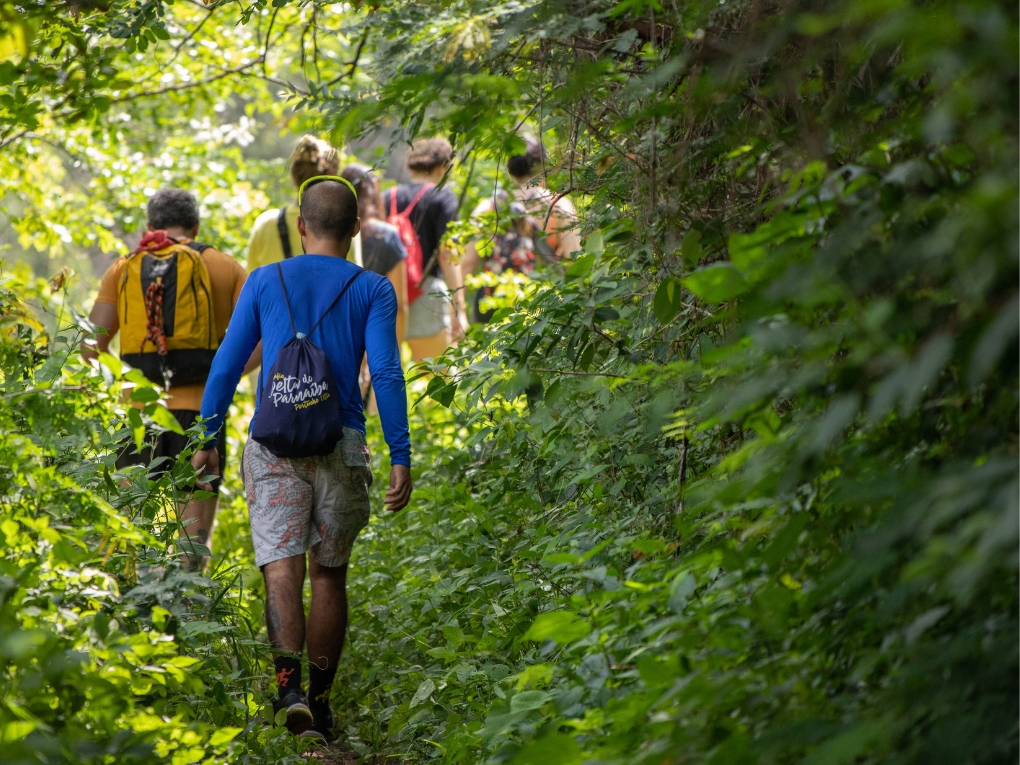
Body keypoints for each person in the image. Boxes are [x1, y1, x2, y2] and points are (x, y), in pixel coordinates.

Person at [191, 177, 412, 742]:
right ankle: (321, 702)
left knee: (281, 566)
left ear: (301, 224)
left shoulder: (265, 280)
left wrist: (207, 437)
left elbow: (226, 365)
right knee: (328, 574)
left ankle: (288, 694)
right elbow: (386, 373)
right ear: (356, 228)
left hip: (274, 446)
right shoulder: (373, 288)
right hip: (344, 442)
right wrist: (400, 453)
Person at [82, 188, 250, 568]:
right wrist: (225, 375)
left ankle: (135, 597)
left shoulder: (123, 268)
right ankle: (188, 598)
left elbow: (90, 348)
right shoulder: (224, 266)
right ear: (196, 226)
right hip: (202, 417)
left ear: (150, 226)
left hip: (138, 416)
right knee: (192, 545)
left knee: (131, 534)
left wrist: (123, 386)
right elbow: (262, 339)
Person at [383, 137, 468, 361]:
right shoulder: (443, 197)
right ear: (443, 167)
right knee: (439, 376)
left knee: (387, 374)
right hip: (426, 294)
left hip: (388, 296)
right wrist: (459, 308)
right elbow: (448, 254)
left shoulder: (388, 197)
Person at [462, 137, 581, 278]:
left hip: (499, 290)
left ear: (510, 169)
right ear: (541, 167)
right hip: (543, 290)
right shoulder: (559, 206)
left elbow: (467, 263)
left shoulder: (487, 208)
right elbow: (574, 261)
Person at [246, 135, 362, 270]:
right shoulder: (343, 223)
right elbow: (355, 276)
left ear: (295, 177)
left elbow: (249, 278)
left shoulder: (265, 224)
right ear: (333, 177)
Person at [340, 163, 408, 343]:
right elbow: (399, 305)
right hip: (373, 338)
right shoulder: (386, 235)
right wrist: (395, 350)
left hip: (336, 336)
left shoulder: (331, 232)